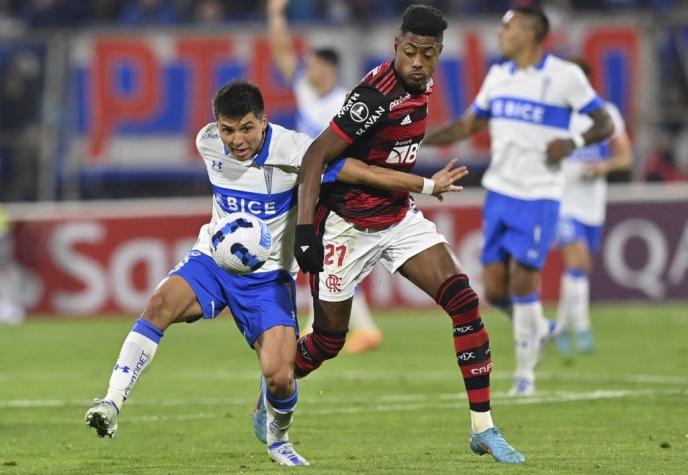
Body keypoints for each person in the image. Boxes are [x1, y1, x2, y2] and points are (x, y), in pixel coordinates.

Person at [84, 80, 467, 466]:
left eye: (246, 128)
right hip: (214, 262)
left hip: (269, 279)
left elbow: (359, 171)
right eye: (228, 129)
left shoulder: (294, 149)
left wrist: (426, 184)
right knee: (158, 305)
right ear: (216, 126)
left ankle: (278, 438)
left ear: (264, 122)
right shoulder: (207, 142)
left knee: (279, 377)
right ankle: (112, 402)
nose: (236, 140)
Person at [287, 4, 525, 464]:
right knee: (329, 340)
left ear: (439, 54)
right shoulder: (375, 96)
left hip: (397, 219)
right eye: (411, 52)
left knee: (464, 301)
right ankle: (276, 385)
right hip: (346, 224)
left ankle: (483, 427)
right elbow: (317, 156)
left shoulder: (424, 82)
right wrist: (303, 229)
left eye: (429, 54)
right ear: (396, 47)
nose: (418, 62)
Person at [423, 7, 615, 396]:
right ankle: (539, 328)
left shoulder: (565, 76)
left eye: (506, 28)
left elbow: (604, 123)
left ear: (529, 33)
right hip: (500, 192)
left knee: (525, 281)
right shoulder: (498, 76)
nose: (500, 35)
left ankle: (525, 377)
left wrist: (574, 142)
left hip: (540, 195)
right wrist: (415, 137)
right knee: (494, 291)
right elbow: (467, 125)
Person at [267, 0, 382, 353]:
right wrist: (276, 15)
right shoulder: (306, 91)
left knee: (328, 257)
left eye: (314, 64)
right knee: (324, 258)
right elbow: (283, 55)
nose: (307, 68)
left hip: (335, 189)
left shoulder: (343, 103)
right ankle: (335, 325)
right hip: (312, 187)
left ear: (328, 68)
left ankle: (350, 327)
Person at [554, 59, 632, 356]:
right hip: (562, 200)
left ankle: (561, 328)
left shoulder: (607, 114)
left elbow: (625, 157)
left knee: (581, 267)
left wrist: (603, 166)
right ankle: (582, 328)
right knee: (578, 260)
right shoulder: (556, 116)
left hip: (592, 203)